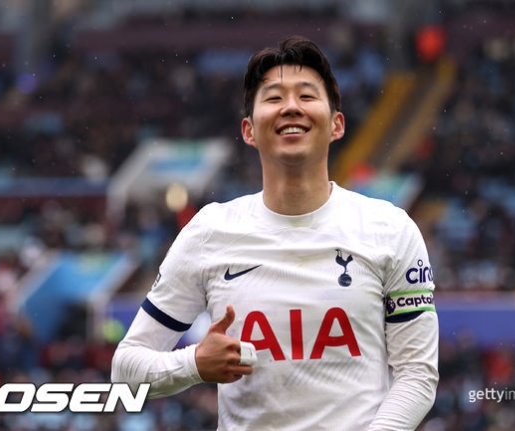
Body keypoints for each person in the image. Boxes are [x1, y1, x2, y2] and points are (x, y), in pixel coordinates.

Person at [111, 35, 439, 431]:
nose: (291, 107)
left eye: (307, 95)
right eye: (273, 97)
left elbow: (417, 374)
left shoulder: (389, 230)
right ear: (249, 130)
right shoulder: (209, 233)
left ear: (337, 124)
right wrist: (194, 363)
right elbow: (126, 369)